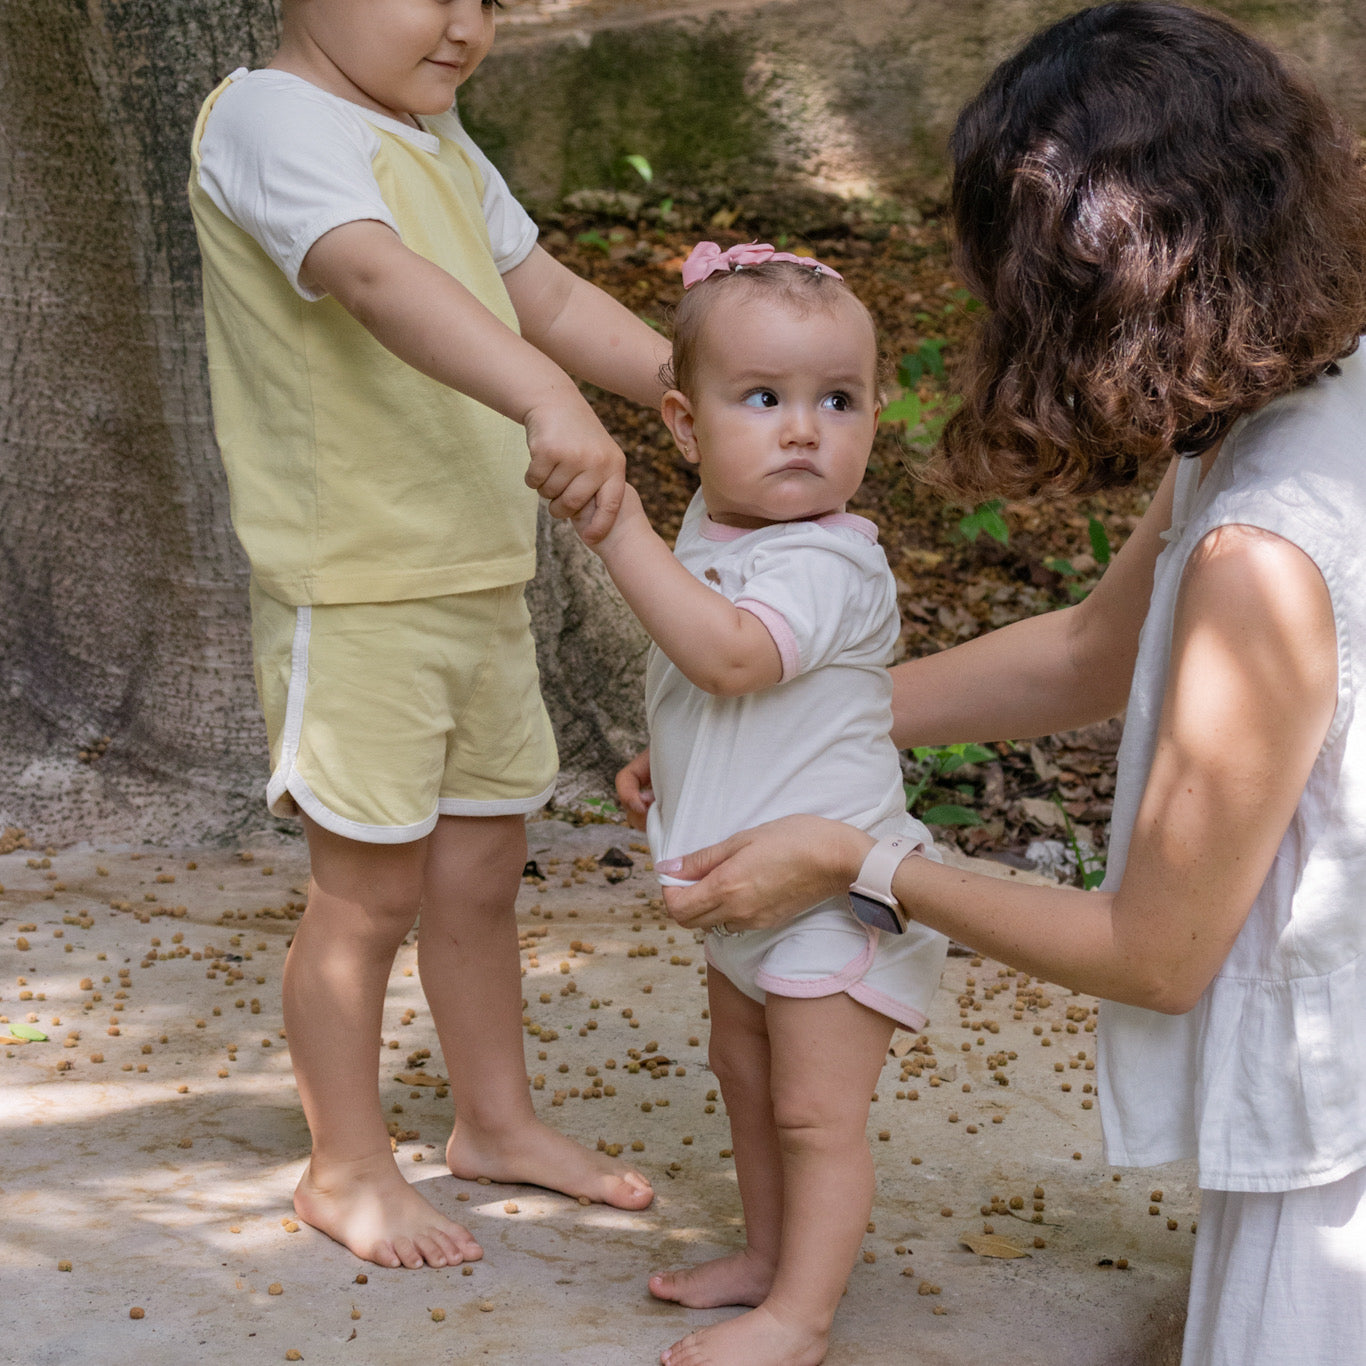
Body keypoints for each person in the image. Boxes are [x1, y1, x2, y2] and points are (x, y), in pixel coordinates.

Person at [624, 5, 1366, 1362]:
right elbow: (1088, 649)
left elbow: (1153, 949)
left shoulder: (1264, 551)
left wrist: (860, 859)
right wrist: (764, 737)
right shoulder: (1296, 390)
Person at [187, 0, 670, 1271]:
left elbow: (543, 294)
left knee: (481, 872)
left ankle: (494, 1121)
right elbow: (372, 274)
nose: (464, 24)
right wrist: (542, 394)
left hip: (474, 572)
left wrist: (684, 380)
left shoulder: (437, 134)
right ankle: (343, 1164)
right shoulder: (269, 118)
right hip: (352, 588)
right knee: (368, 891)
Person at [576, 241, 949, 1366]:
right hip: (746, 889)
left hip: (837, 900)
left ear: (874, 419)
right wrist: (671, 758)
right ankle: (765, 1258)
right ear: (688, 428)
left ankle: (802, 1316)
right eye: (763, 399)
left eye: (836, 400)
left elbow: (733, 656)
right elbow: (722, 694)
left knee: (812, 1114)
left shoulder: (828, 563)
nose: (802, 428)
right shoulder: (722, 530)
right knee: (744, 1081)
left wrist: (613, 529)